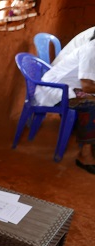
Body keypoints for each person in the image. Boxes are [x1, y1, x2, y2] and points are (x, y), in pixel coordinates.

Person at [34, 38, 95, 174]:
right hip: (54, 90)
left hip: (72, 88)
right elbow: (87, 85)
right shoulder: (91, 50)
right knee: (91, 105)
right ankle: (85, 156)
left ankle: (89, 140)